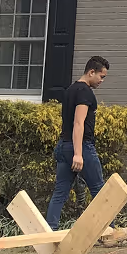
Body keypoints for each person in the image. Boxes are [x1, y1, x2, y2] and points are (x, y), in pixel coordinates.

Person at [45, 55, 111, 230]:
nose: (102, 80)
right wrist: (78, 153)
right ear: (91, 72)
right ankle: (109, 231)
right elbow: (78, 123)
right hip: (81, 147)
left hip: (63, 146)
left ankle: (50, 232)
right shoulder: (84, 92)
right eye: (101, 76)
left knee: (60, 192)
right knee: (99, 189)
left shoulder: (70, 90)